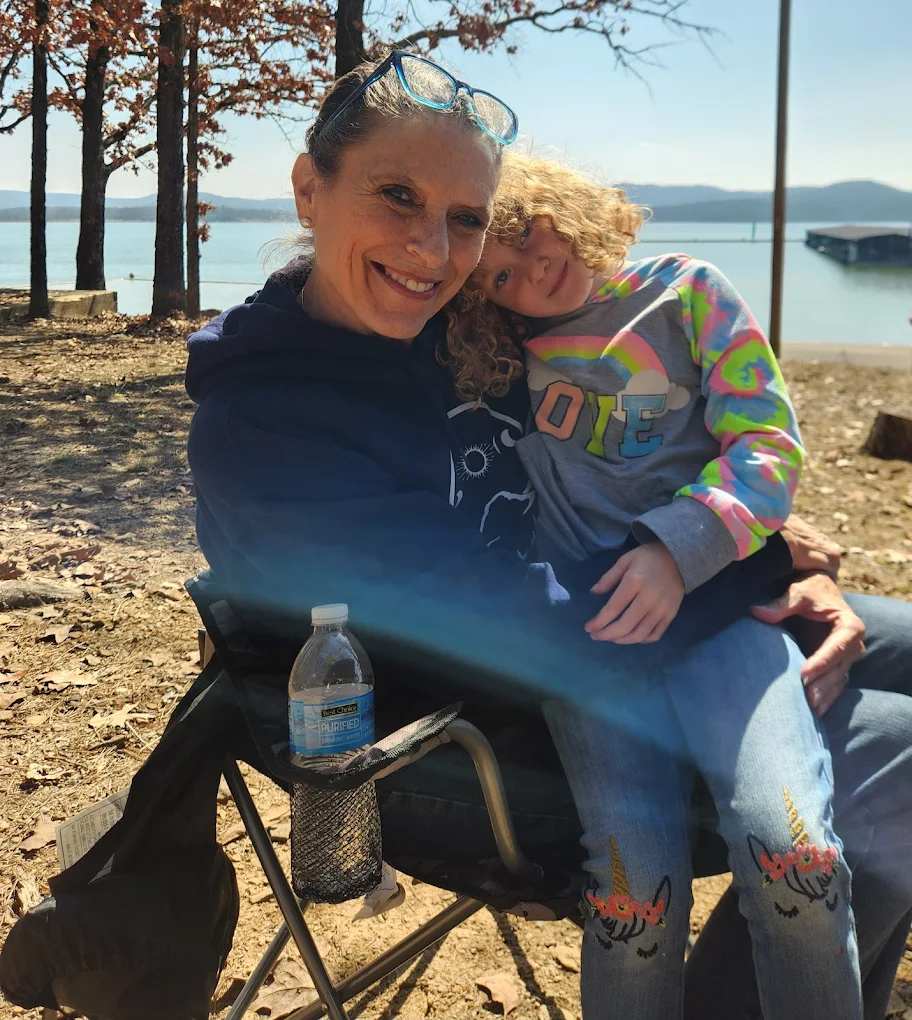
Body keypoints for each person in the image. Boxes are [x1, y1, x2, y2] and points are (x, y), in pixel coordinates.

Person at [184, 51, 912, 1019]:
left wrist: (734, 530)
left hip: (625, 598)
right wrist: (752, 565)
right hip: (475, 733)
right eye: (397, 195)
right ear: (309, 190)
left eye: (467, 218)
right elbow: (507, 627)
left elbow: (623, 434)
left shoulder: (451, 319)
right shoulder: (271, 423)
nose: (433, 249)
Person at [448, 153, 858, 1018]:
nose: (532, 270)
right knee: (635, 893)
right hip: (593, 649)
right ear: (487, 303)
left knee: (796, 858)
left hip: (722, 616)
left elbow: (768, 446)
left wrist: (676, 550)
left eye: (526, 234)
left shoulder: (689, 291)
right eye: (501, 276)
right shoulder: (498, 358)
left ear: (559, 208)